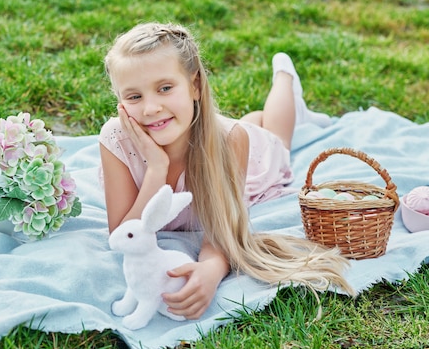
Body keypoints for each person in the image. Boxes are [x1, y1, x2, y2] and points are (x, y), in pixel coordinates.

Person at [99, 22, 353, 320]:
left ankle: (286, 82)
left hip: (250, 153)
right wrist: (156, 169)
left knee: (279, 140)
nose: (151, 108)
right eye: (134, 97)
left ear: (195, 85)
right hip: (222, 134)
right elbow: (122, 234)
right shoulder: (116, 139)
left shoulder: (232, 141)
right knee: (247, 123)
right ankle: (256, 116)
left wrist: (211, 268)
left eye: (165, 88)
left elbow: (222, 229)